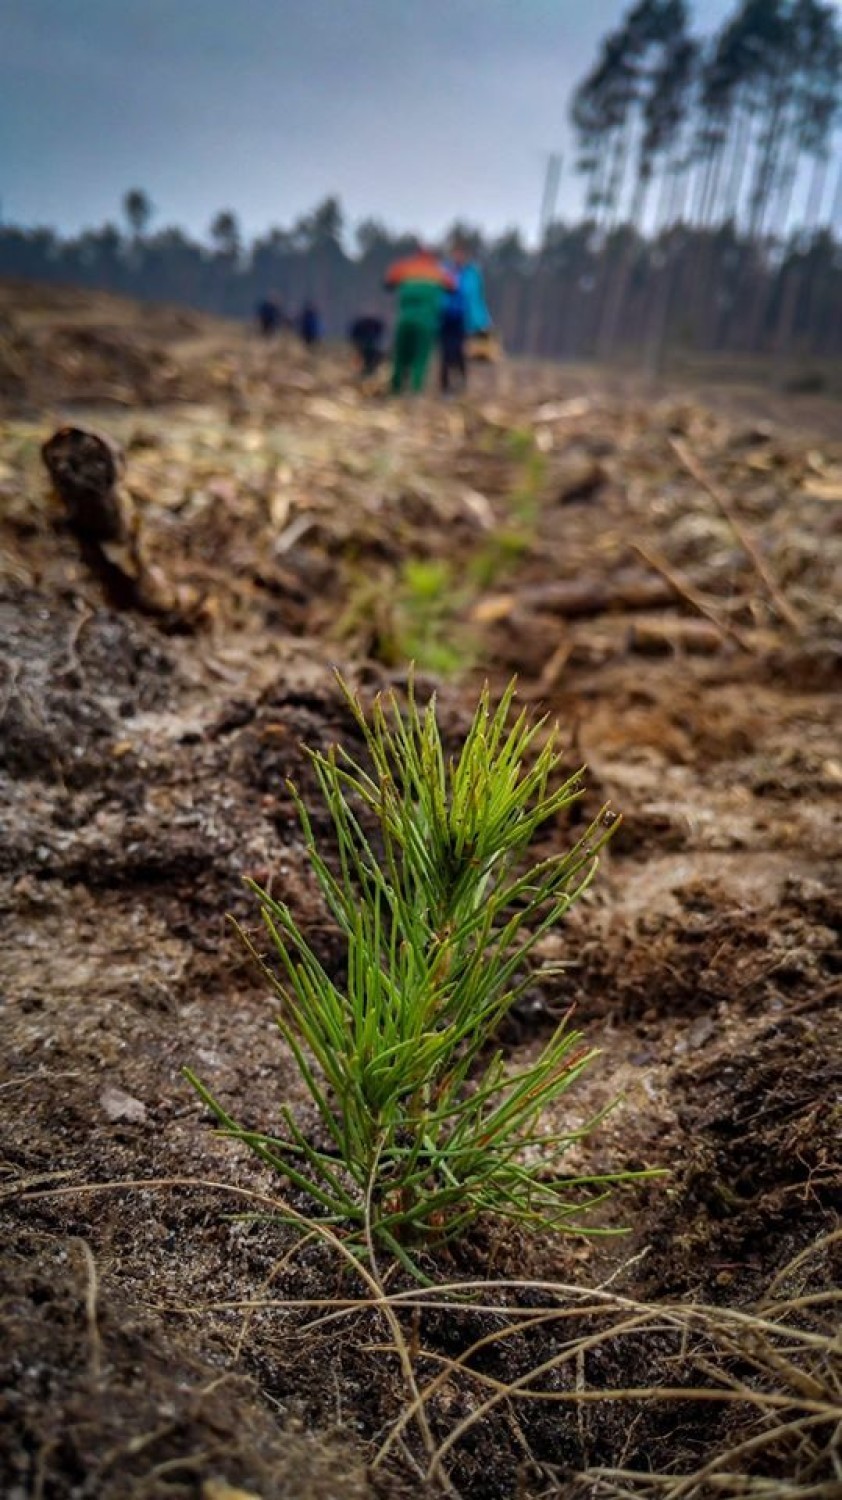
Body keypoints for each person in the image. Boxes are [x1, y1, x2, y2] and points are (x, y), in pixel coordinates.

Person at [384, 247, 455, 395]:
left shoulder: (405, 267)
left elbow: (389, 282)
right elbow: (452, 286)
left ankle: (396, 389)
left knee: (401, 355)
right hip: (426, 321)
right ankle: (415, 391)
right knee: (420, 357)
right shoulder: (438, 271)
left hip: (405, 319)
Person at [349, 312, 386, 378]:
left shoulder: (370, 325)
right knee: (369, 359)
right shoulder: (367, 325)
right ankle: (366, 372)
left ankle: (367, 372)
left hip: (368, 346)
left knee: (370, 359)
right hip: (366, 346)